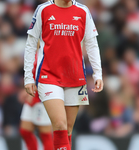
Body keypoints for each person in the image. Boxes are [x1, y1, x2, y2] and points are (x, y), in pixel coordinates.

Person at [24, 0, 103, 150]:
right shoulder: (43, 10)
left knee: (67, 131)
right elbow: (31, 43)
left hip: (75, 76)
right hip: (49, 76)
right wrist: (28, 77)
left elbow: (92, 43)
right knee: (60, 124)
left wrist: (98, 74)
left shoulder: (83, 11)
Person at [20, 52, 53, 150]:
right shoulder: (34, 50)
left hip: (42, 97)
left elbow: (49, 75)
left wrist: (35, 91)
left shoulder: (48, 51)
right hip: (32, 95)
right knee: (25, 131)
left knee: (45, 134)